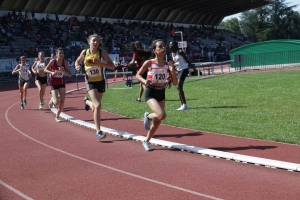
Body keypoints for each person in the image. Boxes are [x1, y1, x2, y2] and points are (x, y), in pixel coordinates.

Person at [136, 39, 178, 151]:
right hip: (151, 91)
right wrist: (145, 82)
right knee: (162, 115)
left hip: (161, 92)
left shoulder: (167, 64)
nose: (163, 48)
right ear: (154, 50)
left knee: (158, 120)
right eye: (160, 46)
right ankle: (148, 116)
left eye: (164, 46)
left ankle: (146, 141)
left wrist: (172, 70)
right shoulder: (149, 63)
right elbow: (138, 75)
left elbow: (175, 83)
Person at [75, 34, 115, 140]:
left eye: (97, 41)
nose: (95, 42)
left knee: (95, 107)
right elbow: (77, 61)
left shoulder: (102, 53)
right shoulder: (85, 52)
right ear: (89, 42)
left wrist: (100, 63)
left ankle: (87, 102)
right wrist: (77, 66)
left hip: (100, 81)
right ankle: (98, 132)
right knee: (97, 105)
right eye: (93, 41)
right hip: (90, 81)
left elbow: (112, 66)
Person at [44, 48, 72, 122]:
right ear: (56, 54)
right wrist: (51, 73)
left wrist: (64, 71)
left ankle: (57, 116)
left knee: (62, 102)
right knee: (56, 102)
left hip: (61, 83)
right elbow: (45, 69)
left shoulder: (65, 62)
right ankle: (52, 100)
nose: (61, 54)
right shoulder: (53, 61)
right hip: (53, 83)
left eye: (62, 53)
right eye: (60, 53)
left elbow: (70, 75)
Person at [169, 41, 189, 110]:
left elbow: (187, 60)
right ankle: (182, 104)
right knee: (178, 87)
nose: (170, 46)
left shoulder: (180, 52)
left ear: (175, 45)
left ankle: (185, 104)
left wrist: (194, 69)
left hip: (184, 69)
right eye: (169, 45)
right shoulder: (172, 54)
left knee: (179, 86)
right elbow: (174, 64)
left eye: (171, 44)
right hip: (179, 70)